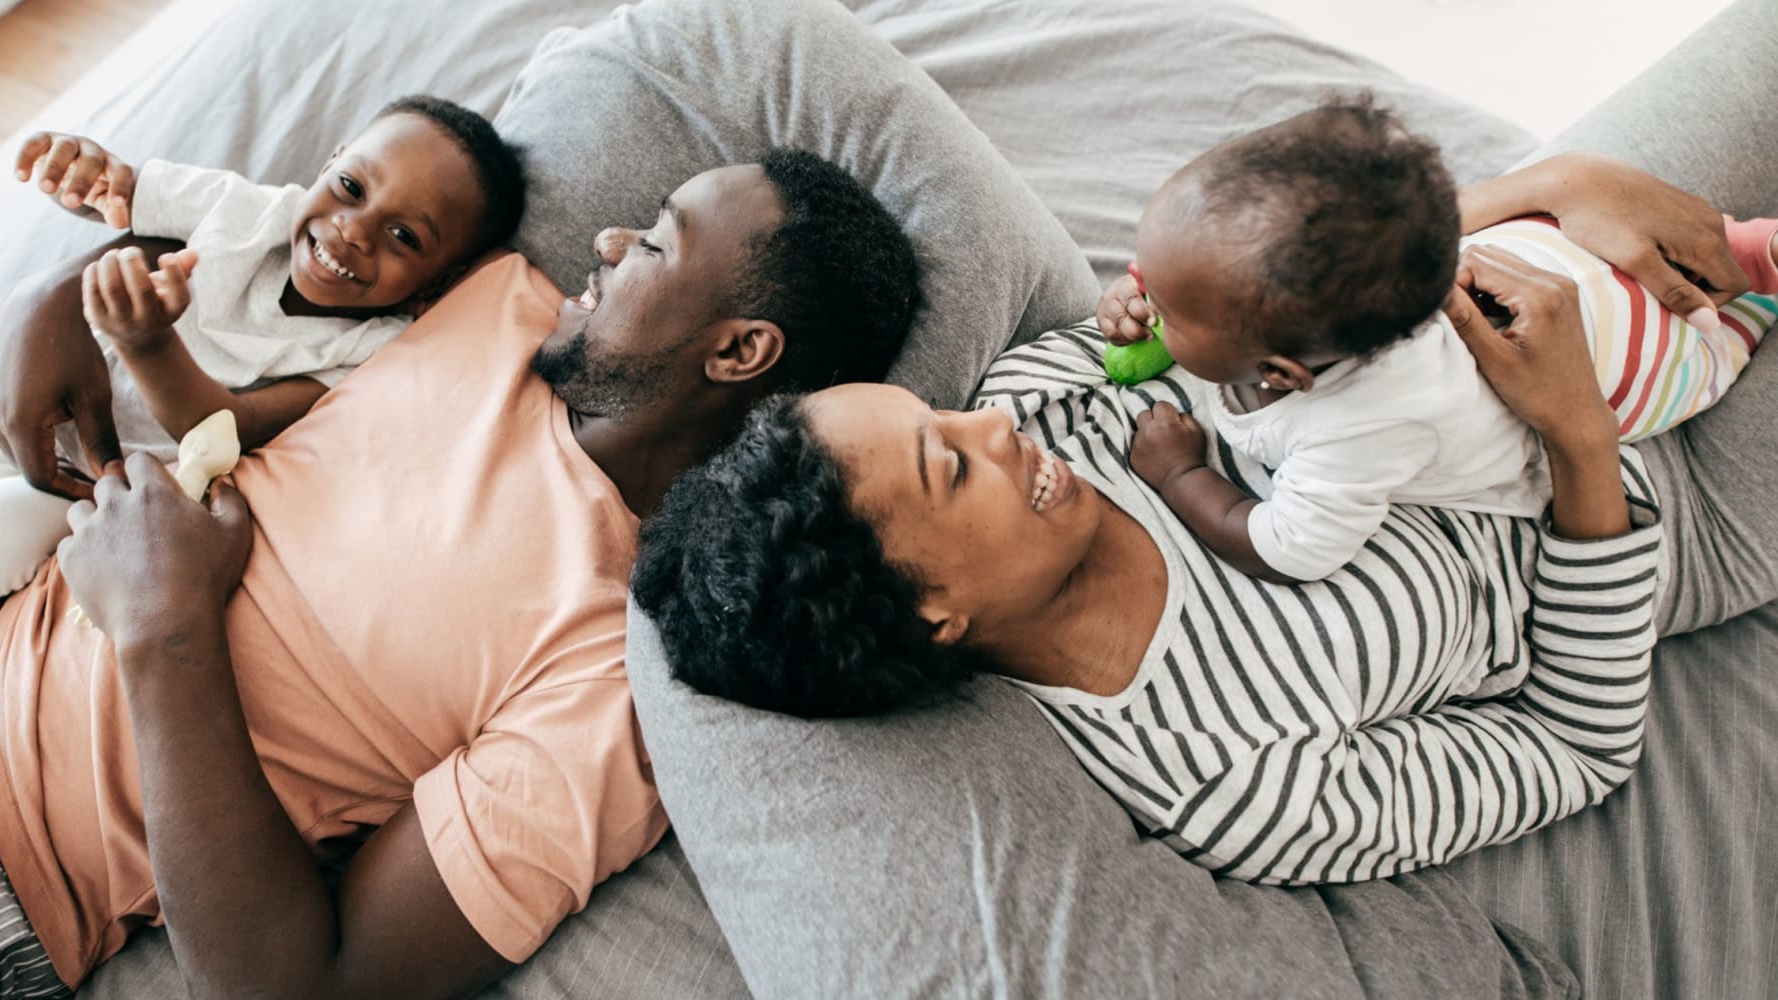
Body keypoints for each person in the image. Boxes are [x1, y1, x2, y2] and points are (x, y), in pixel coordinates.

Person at [0, 149, 920, 998]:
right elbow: (269, 257)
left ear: (736, 351)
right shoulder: (502, 306)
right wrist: (61, 294)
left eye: (659, 243)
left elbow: (299, 988)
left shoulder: (614, 673)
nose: (612, 242)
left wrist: (167, 629)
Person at [633, 152, 1762, 886]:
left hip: (1507, 283)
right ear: (931, 607)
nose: (991, 427)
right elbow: (1573, 744)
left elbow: (1269, 307)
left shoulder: (1042, 401)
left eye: (941, 413)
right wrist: (1575, 437)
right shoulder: (1225, 778)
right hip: (1662, 491)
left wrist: (1549, 189)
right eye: (949, 468)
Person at [0, 95, 525, 677]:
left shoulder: (369, 352)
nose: (353, 231)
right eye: (351, 186)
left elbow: (222, 424)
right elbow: (119, 193)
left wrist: (147, 343)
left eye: (405, 237)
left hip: (78, 491)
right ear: (327, 164)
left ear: (443, 281)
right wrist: (78, 168)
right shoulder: (244, 210)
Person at [1089, 94, 1778, 583]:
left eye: (1164, 301)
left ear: (1283, 372)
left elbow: (1283, 549)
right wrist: (1158, 299)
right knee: (1556, 252)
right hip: (1541, 248)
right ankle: (1744, 253)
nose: (1139, 288)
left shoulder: (1357, 431)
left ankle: (1749, 305)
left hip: (1631, 368)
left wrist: (1182, 474)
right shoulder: (1374, 276)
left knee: (1718, 337)